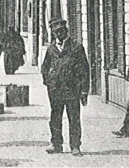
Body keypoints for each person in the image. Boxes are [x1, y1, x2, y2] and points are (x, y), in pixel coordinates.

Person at [41, 18, 90, 156]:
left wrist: (84, 90)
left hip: (72, 89)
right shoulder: (51, 48)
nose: (58, 34)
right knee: (55, 117)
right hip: (55, 89)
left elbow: (84, 70)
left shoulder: (76, 47)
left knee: (74, 118)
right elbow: (45, 67)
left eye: (60, 31)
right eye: (55, 32)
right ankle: (56, 144)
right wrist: (48, 81)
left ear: (66, 31)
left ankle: (75, 146)